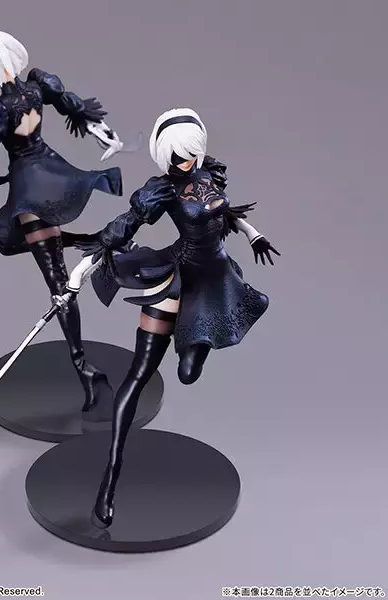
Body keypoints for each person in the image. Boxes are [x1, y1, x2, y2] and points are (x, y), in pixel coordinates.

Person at [76, 108, 280, 527]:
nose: (184, 163)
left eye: (189, 154)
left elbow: (223, 212)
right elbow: (123, 227)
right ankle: (109, 481)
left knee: (187, 373)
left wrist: (253, 233)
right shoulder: (163, 191)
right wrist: (78, 274)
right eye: (176, 157)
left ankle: (194, 341)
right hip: (176, 273)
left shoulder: (210, 173)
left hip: (214, 280)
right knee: (139, 373)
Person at [0, 30, 124, 411]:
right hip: (49, 170)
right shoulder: (37, 87)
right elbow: (76, 111)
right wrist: (108, 137)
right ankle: (93, 239)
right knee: (8, 243)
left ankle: (84, 368)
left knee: (58, 284)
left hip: (30, 187)